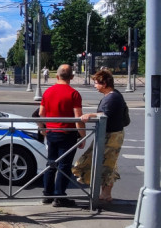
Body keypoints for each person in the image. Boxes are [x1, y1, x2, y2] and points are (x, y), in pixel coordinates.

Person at [72, 69, 127, 203]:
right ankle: (105, 194)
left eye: (96, 83)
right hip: (111, 135)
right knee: (107, 165)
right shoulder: (113, 95)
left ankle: (105, 195)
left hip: (110, 136)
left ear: (105, 84)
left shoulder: (112, 97)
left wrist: (90, 115)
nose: (95, 86)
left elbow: (105, 115)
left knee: (105, 165)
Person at [38, 64, 84, 207]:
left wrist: (43, 130)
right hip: (68, 134)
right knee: (64, 166)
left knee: (51, 163)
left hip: (51, 133)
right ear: (72, 77)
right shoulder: (74, 93)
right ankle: (59, 196)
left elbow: (41, 114)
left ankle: (47, 194)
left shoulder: (47, 92)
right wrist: (82, 137)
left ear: (56, 76)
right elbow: (78, 118)